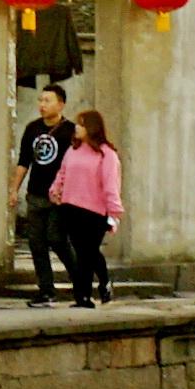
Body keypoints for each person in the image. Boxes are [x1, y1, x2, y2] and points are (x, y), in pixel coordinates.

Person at [10, 83, 78, 302]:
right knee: (36, 243)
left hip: (60, 197)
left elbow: (78, 165)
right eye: (40, 100)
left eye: (47, 101)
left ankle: (80, 279)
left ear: (61, 104)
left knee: (57, 239)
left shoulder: (71, 131)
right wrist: (14, 189)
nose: (42, 105)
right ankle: (46, 290)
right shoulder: (32, 129)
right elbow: (24, 161)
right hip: (36, 194)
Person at [51, 109, 126, 305]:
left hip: (95, 212)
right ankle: (84, 295)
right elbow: (63, 173)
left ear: (92, 128)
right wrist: (56, 189)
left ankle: (97, 286)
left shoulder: (106, 154)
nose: (77, 128)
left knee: (89, 251)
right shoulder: (73, 150)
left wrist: (114, 212)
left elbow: (111, 185)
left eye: (82, 124)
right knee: (82, 251)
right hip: (71, 207)